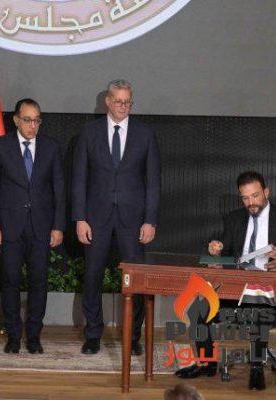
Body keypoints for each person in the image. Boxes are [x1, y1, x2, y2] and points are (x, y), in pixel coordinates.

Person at [175, 171, 276, 390]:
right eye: (245, 198)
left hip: (275, 294)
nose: (251, 203)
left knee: (257, 307)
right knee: (198, 309)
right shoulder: (234, 218)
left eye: (255, 195)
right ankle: (206, 363)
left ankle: (257, 368)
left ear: (266, 193)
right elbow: (227, 254)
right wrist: (216, 250)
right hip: (237, 290)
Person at [72, 79, 161, 355]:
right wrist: (80, 218)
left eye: (128, 102)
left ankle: (132, 337)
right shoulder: (89, 133)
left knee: (135, 279)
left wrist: (150, 220)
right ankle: (93, 334)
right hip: (95, 219)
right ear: (108, 102)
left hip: (133, 220)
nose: (123, 106)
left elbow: (153, 181)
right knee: (93, 277)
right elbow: (79, 179)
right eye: (119, 101)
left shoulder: (145, 134)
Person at [0, 98, 65, 354]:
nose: (33, 126)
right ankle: (12, 336)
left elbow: (59, 190)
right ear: (16, 120)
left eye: (37, 120)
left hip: (41, 227)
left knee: (39, 282)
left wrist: (58, 226)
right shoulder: (0, 146)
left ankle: (33, 336)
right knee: (10, 281)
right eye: (28, 120)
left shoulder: (51, 147)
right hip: (9, 226)